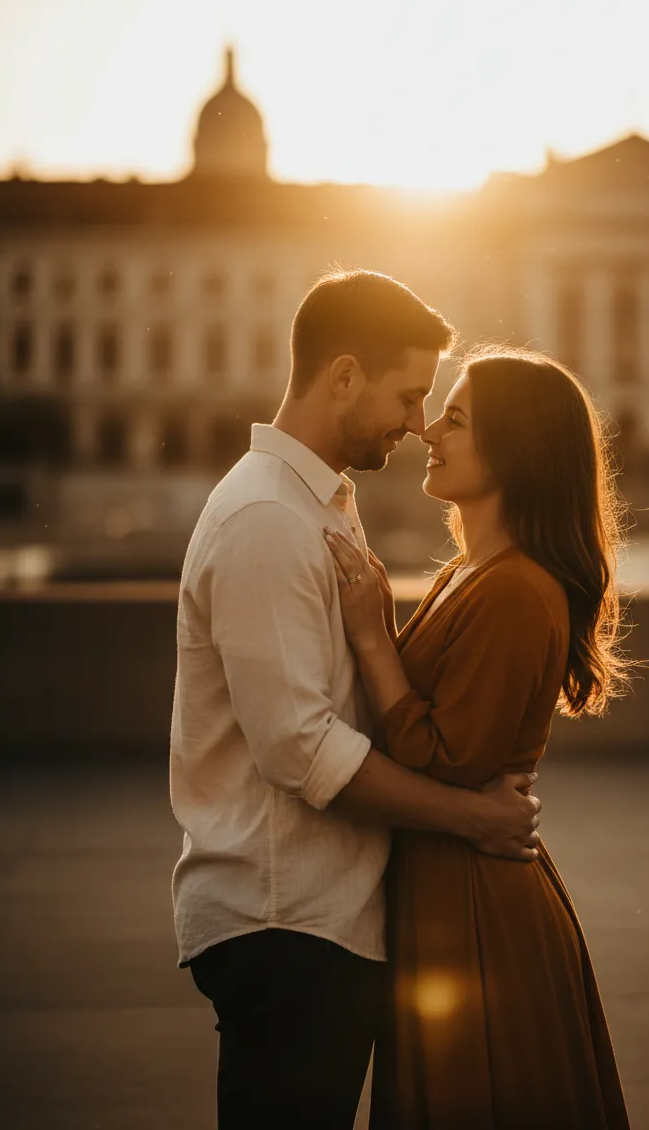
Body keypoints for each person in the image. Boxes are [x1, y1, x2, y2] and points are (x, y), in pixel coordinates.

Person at [169, 271, 542, 1130]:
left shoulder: (315, 505)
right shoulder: (267, 518)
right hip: (284, 920)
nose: (418, 425)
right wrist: (470, 816)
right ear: (342, 376)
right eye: (409, 396)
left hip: (311, 919)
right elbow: (300, 749)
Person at [325, 346, 632, 1129]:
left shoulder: (519, 592)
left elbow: (448, 761)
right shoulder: (471, 571)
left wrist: (372, 639)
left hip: (475, 907)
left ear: (515, 448)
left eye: (454, 419)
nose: (429, 431)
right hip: (449, 886)